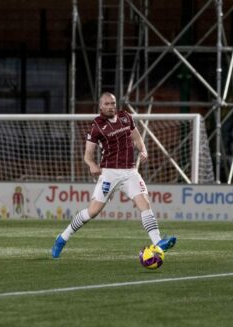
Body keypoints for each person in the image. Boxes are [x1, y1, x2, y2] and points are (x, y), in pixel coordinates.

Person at [51, 92, 176, 258]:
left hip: (130, 172)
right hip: (109, 173)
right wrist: (92, 165)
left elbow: (137, 139)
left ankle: (158, 243)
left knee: (144, 204)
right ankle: (62, 238)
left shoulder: (126, 117)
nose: (111, 106)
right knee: (92, 212)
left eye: (113, 103)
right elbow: (87, 156)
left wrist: (143, 150)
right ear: (101, 106)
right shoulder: (97, 126)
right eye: (107, 104)